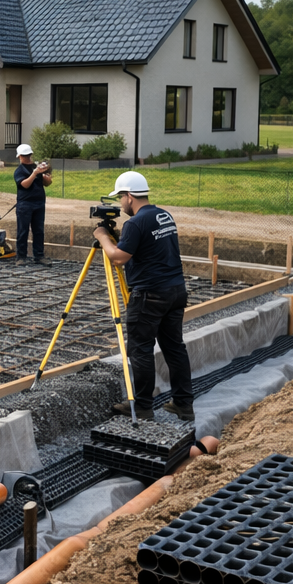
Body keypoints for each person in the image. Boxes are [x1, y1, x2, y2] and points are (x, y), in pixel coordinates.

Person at [93, 171, 194, 423]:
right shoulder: (163, 215)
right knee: (174, 348)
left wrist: (103, 236)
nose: (120, 205)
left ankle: (143, 407)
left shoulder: (136, 223)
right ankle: (183, 405)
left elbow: (117, 258)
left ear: (129, 196)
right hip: (175, 291)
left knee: (140, 350)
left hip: (150, 294)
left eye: (120, 198)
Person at [11, 143, 51, 264]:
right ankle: (21, 257)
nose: (27, 157)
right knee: (23, 231)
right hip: (25, 204)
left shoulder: (37, 168)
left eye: (28, 155)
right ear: (20, 157)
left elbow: (47, 183)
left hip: (39, 203)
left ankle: (39, 256)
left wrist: (44, 175)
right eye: (25, 155)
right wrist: (35, 173)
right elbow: (25, 184)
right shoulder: (19, 171)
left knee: (39, 230)